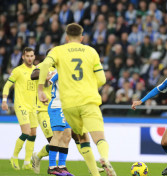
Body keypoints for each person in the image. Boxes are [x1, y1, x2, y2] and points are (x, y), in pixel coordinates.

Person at [37, 23, 116, 176]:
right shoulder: (91, 51)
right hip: (88, 101)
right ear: (82, 37)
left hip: (68, 105)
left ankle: (95, 174)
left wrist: (41, 89)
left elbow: (46, 64)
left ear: (66, 37)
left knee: (81, 138)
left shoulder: (57, 51)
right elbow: (101, 79)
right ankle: (104, 158)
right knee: (98, 137)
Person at [2, 47, 37, 170]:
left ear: (34, 57)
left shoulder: (36, 71)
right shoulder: (17, 71)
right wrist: (5, 100)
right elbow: (7, 85)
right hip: (21, 105)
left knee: (33, 134)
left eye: (31, 56)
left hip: (33, 106)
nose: (29, 58)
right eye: (27, 56)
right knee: (26, 132)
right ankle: (14, 156)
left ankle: (27, 162)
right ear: (23, 57)